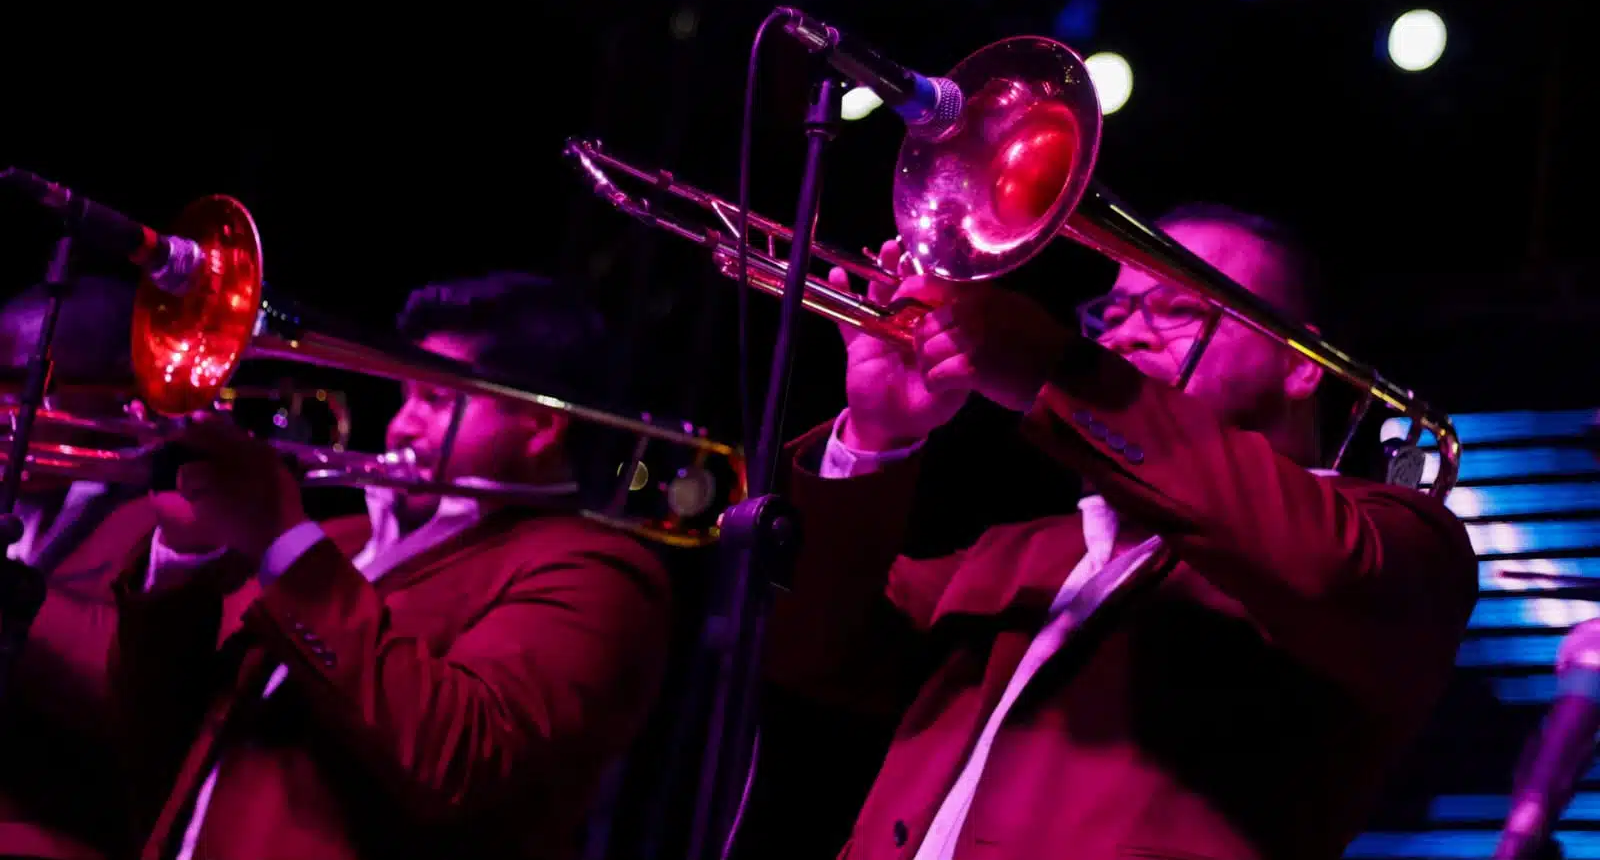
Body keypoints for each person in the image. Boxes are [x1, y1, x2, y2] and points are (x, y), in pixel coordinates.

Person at [766, 203, 1479, 860]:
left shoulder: (1401, 539)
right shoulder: (1019, 552)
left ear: (1301, 363)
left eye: (1177, 309)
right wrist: (877, 434)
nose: (1125, 332)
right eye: (1109, 313)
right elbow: (812, 647)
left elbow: (1324, 567)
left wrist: (1057, 369)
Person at [109, 272, 673, 860]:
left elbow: (461, 760)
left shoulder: (599, 574)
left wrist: (285, 543)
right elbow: (158, 735)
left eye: (436, 399)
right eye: (405, 397)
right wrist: (181, 554)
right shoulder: (337, 541)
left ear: (539, 424)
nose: (402, 424)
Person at [0, 275, 162, 860]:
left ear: (122, 392)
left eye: (32, 386)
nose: (7, 411)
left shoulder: (167, 525)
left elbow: (126, 692)